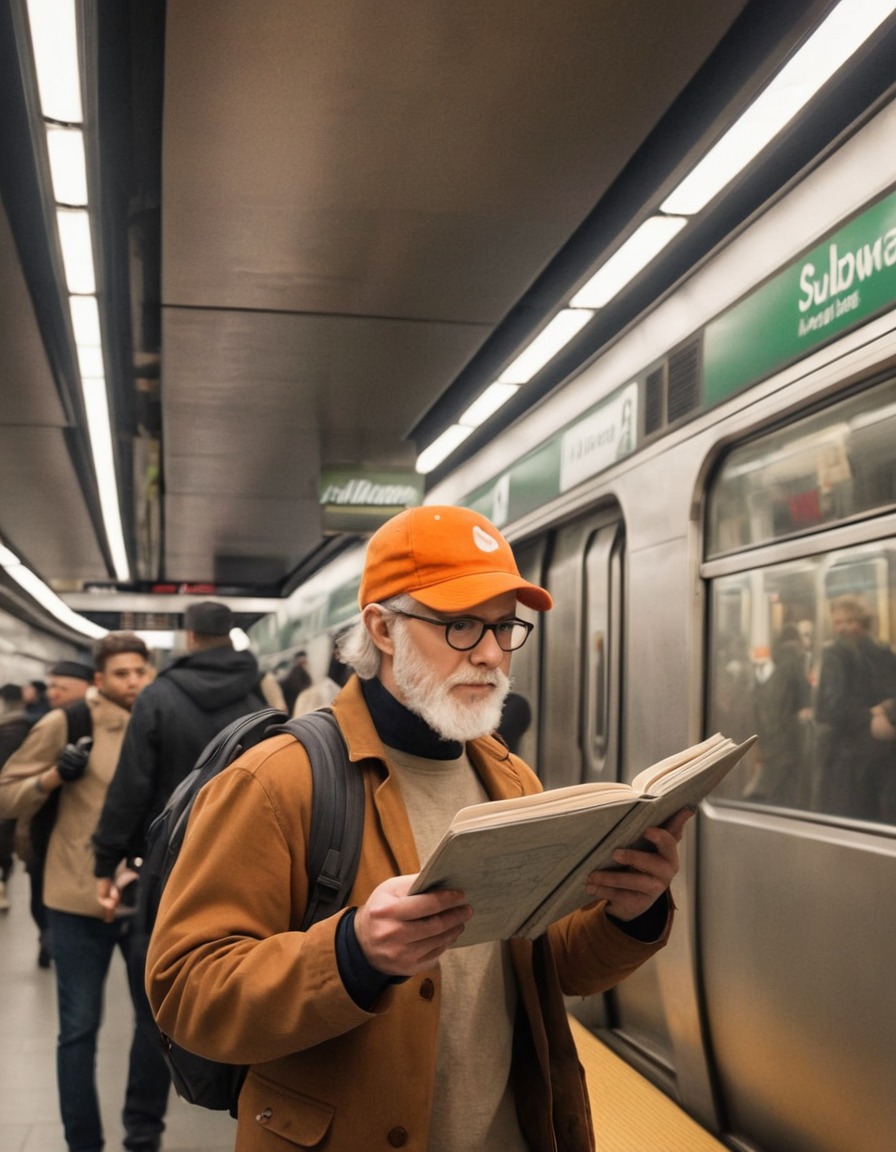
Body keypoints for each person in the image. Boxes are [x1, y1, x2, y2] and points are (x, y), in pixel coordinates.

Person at [147, 505, 691, 1152]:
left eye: (504, 627)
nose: (491, 654)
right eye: (460, 626)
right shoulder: (279, 781)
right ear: (382, 627)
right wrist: (349, 956)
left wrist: (630, 914)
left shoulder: (510, 779)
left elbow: (549, 964)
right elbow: (187, 992)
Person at [0, 633, 168, 1152]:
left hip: (143, 899)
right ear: (100, 680)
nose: (133, 681)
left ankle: (143, 1136)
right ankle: (83, 1144)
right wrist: (54, 775)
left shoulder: (161, 722)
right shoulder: (65, 723)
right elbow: (6, 795)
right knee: (78, 1030)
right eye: (121, 673)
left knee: (156, 1026)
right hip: (74, 899)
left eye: (139, 671)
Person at [92, 600, 284, 913]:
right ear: (230, 634)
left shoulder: (156, 696)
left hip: (170, 852)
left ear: (191, 637)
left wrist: (107, 861)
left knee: (163, 947)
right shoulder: (262, 691)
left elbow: (131, 786)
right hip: (246, 850)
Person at [10, 661, 94, 964]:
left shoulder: (102, 724)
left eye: (62, 687)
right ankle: (47, 935)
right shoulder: (45, 723)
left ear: (88, 685)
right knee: (38, 885)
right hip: (42, 822)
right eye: (52, 686)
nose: (54, 693)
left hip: (77, 828)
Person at [814, 595, 896, 820]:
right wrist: (870, 715)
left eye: (850, 621)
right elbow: (828, 707)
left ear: (863, 623)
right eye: (838, 622)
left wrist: (888, 708)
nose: (843, 628)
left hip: (866, 755)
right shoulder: (837, 654)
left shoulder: (880, 653)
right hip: (849, 751)